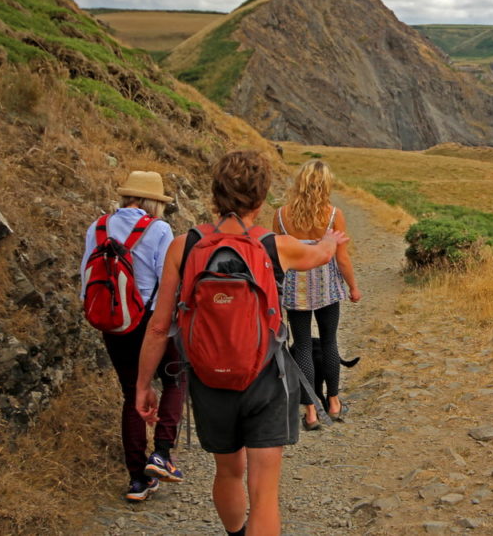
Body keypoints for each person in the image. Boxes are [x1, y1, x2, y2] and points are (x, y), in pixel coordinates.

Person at [135, 150, 348, 536]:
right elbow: (320, 254)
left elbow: (158, 326)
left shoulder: (184, 246)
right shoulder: (274, 245)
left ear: (215, 194)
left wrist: (142, 385)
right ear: (261, 198)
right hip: (265, 378)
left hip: (208, 379)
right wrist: (331, 241)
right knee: (264, 491)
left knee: (228, 472)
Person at [79, 170, 184, 502]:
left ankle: (138, 480)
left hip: (114, 321)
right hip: (151, 322)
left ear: (127, 196)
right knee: (175, 379)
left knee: (131, 393)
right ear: (154, 201)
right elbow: (169, 280)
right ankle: (162, 453)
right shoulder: (159, 229)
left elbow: (85, 277)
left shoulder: (97, 227)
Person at [274, 159, 361, 430]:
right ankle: (333, 403)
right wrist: (353, 287)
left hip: (295, 288)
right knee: (329, 342)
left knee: (301, 346)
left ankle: (311, 411)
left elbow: (277, 258)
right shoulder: (334, 215)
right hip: (326, 287)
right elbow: (342, 259)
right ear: (326, 185)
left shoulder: (280, 216)